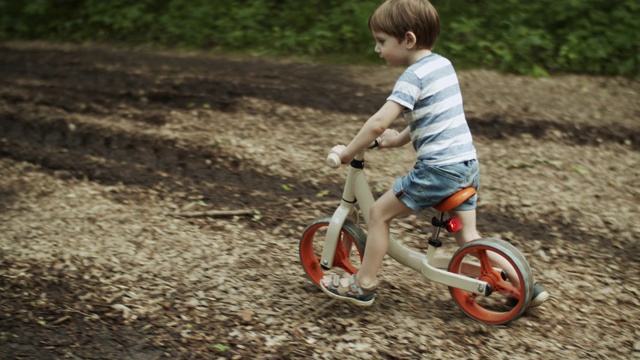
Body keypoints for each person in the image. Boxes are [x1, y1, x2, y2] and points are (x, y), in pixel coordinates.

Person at [320, 0, 549, 308]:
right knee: (468, 236)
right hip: (466, 165)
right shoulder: (442, 65)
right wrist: (398, 140)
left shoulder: (412, 77)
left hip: (439, 171)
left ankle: (364, 283)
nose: (377, 49)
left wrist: (347, 152)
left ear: (408, 39)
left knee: (377, 214)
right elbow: (436, 117)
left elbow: (377, 124)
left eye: (381, 41)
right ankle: (524, 283)